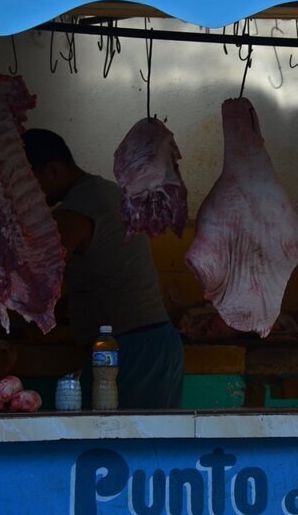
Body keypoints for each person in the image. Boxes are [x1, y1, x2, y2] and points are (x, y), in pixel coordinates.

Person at [21, 128, 184, 409]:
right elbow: (108, 273)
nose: (22, 193)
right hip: (153, 344)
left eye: (26, 181)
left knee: (125, 443)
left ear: (53, 170)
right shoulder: (105, 191)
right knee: (146, 445)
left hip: (129, 349)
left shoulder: (74, 212)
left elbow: (36, 284)